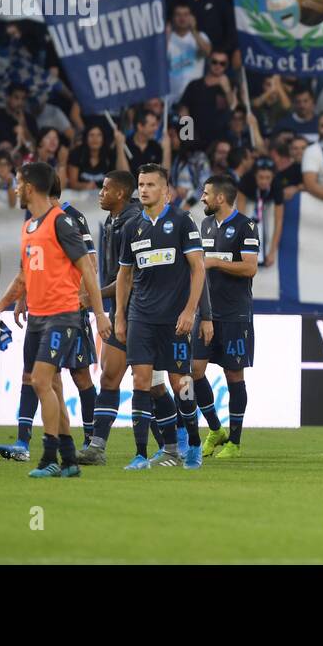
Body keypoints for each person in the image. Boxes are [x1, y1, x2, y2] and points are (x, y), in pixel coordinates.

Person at [0, 162, 110, 478]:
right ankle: (70, 460)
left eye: (18, 183)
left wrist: (99, 315)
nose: (15, 189)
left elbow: (87, 267)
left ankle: (49, 458)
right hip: (38, 318)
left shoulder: (62, 222)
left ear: (30, 186)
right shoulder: (29, 226)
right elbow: (24, 276)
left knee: (41, 381)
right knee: (53, 386)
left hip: (63, 316)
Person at [113, 164, 208, 471]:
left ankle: (193, 443)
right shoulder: (131, 227)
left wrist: (190, 310)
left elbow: (198, 268)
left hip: (175, 319)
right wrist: (120, 316)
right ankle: (141, 453)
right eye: (140, 184)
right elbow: (125, 275)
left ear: (166, 191)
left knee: (181, 383)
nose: (143, 189)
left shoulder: (182, 221)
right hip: (142, 317)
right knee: (141, 381)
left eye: (151, 185)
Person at [77, 170, 143, 465]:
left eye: (105, 189)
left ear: (120, 194)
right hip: (120, 314)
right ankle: (97, 448)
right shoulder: (111, 222)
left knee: (152, 384)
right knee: (109, 377)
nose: (100, 193)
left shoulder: (134, 223)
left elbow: (130, 277)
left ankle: (179, 444)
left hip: (144, 314)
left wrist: (95, 295)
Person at [193, 175, 260, 460]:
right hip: (206, 312)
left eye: (206, 193)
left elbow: (250, 268)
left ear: (220, 197)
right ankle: (215, 429)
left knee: (233, 373)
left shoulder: (246, 226)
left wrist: (216, 262)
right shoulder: (205, 225)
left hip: (235, 313)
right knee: (194, 370)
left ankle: (234, 441)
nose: (202, 198)